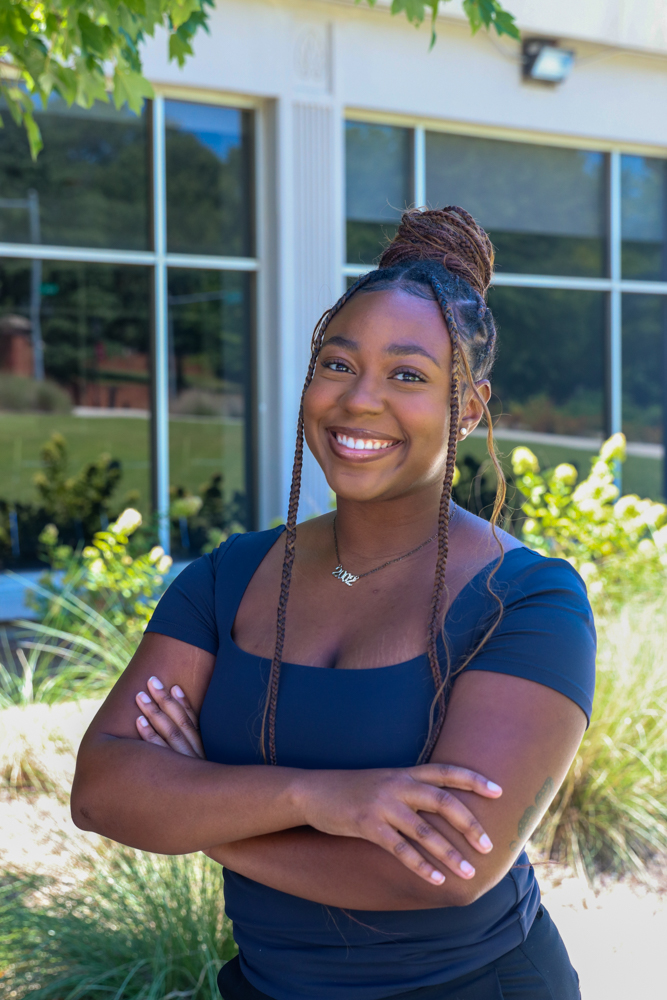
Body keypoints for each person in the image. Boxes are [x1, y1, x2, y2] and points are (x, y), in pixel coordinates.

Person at [72, 207, 596, 1000]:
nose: (360, 401)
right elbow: (103, 789)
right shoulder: (230, 575)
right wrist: (315, 798)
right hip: (266, 985)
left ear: (468, 408)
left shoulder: (524, 600)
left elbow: (447, 869)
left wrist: (198, 809)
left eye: (409, 375)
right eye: (337, 364)